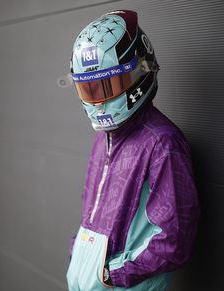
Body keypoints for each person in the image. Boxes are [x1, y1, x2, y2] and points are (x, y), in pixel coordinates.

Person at [66, 10, 199, 291]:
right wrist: (79, 256)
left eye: (108, 86)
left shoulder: (162, 143)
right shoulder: (104, 139)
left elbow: (173, 239)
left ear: (141, 72)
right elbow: (91, 214)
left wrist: (109, 275)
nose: (99, 102)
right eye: (90, 90)